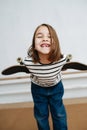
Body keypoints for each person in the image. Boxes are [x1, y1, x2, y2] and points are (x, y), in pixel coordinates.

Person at [23, 23, 68, 130]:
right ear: (34, 44)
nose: (44, 39)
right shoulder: (28, 62)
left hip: (56, 87)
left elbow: (67, 65)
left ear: (55, 43)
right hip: (38, 89)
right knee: (41, 115)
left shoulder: (61, 59)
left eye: (49, 37)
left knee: (59, 114)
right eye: (39, 36)